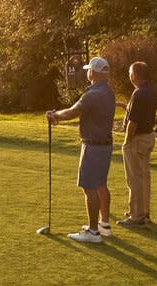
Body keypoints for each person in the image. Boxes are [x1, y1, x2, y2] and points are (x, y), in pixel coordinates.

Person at [47, 55, 117, 243]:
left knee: (89, 187)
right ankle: (104, 224)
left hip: (93, 146)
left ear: (92, 72)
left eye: (88, 70)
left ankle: (93, 232)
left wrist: (55, 116)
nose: (87, 72)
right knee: (101, 184)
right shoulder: (109, 93)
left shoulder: (92, 95)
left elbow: (72, 112)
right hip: (105, 145)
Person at [119, 61, 157, 227]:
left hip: (137, 139)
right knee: (143, 178)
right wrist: (124, 107)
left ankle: (136, 216)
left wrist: (127, 141)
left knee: (134, 178)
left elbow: (133, 122)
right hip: (148, 136)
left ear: (134, 75)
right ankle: (143, 212)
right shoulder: (150, 92)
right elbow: (138, 112)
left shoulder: (138, 94)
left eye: (130, 73)